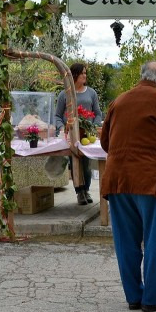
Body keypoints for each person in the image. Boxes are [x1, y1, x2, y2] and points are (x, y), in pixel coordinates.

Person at [100, 61, 156, 312]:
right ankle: (153, 298)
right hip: (152, 179)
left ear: (142, 76)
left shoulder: (119, 101)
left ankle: (134, 296)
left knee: (126, 242)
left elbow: (105, 142)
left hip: (118, 180)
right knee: (154, 239)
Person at [54, 62, 103, 205]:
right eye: (82, 73)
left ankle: (86, 190)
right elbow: (57, 116)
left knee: (86, 164)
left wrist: (94, 127)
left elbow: (98, 113)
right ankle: (79, 192)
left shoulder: (91, 93)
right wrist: (61, 128)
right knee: (74, 162)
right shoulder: (64, 94)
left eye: (85, 73)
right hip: (71, 136)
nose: (85, 75)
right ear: (74, 75)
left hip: (87, 135)